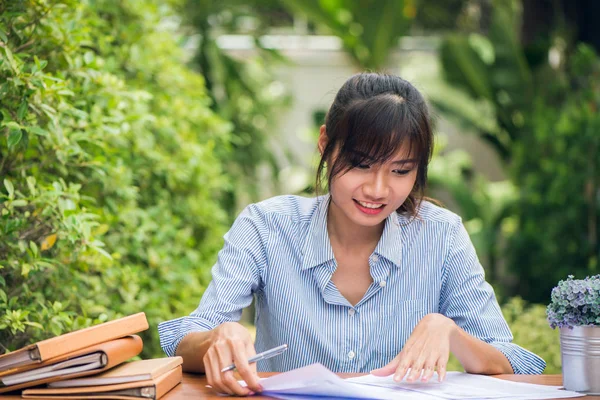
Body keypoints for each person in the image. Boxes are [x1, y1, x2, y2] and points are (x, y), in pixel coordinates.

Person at [158, 73, 546, 396]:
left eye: (400, 171)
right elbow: (186, 343)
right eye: (361, 164)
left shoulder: (441, 235)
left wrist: (449, 332)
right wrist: (219, 336)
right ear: (326, 144)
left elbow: (518, 365)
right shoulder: (266, 226)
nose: (378, 190)